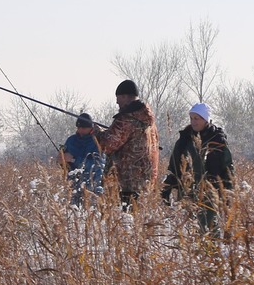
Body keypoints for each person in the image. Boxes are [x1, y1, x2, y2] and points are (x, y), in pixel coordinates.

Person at [162, 102, 234, 234]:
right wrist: (167, 188)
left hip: (211, 192)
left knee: (208, 228)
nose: (193, 122)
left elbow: (228, 168)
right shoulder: (184, 140)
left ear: (205, 119)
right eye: (191, 118)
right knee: (186, 231)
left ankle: (212, 252)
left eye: (197, 118)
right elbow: (174, 166)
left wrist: (228, 192)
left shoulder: (217, 140)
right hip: (188, 192)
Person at [93, 80, 160, 210]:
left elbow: (108, 144)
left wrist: (95, 132)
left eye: (117, 98)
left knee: (126, 223)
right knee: (139, 224)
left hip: (128, 183)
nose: (116, 102)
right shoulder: (148, 121)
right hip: (146, 182)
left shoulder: (127, 119)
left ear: (124, 96)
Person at [62, 113, 105, 207]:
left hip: (93, 187)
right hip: (73, 185)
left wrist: (74, 160)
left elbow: (97, 165)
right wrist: (62, 160)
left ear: (91, 128)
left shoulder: (98, 141)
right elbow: (63, 161)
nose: (80, 130)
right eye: (79, 128)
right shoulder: (71, 140)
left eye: (83, 128)